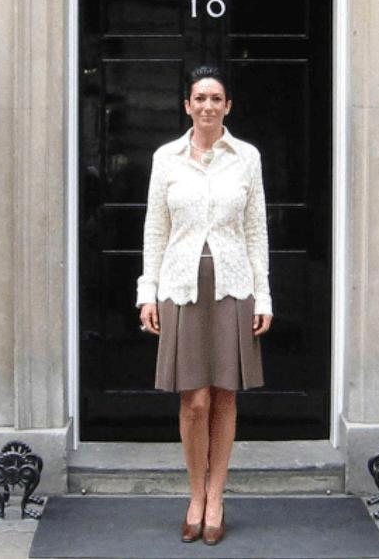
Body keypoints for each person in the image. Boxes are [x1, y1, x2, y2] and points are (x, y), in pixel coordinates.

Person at [136, 65, 273, 546]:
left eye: (216, 98)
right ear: (187, 106)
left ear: (228, 106)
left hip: (234, 286)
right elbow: (156, 228)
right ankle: (195, 494)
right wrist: (147, 291)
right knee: (194, 400)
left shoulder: (247, 158)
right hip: (181, 286)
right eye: (200, 98)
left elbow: (256, 231)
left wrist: (264, 295)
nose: (208, 106)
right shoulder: (166, 158)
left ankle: (216, 498)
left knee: (225, 395)